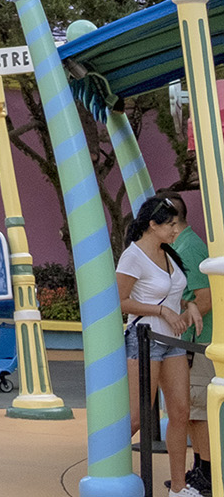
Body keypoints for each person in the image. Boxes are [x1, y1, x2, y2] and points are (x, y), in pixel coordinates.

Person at [120, 195, 193, 492]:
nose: (176, 230)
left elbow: (177, 292)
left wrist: (191, 307)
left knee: (180, 412)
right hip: (144, 340)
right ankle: (108, 468)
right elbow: (121, 302)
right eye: (171, 225)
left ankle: (178, 486)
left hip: (172, 341)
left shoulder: (168, 253)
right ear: (152, 225)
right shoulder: (133, 256)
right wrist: (161, 310)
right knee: (136, 416)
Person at [166, 193, 214, 496]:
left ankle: (207, 472)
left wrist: (177, 322)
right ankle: (199, 468)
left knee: (198, 409)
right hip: (190, 342)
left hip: (198, 342)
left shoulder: (190, 248)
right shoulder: (181, 246)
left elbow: (204, 299)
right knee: (193, 411)